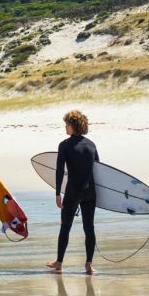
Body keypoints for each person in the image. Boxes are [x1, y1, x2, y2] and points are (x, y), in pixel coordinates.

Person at [47, 110, 100, 275]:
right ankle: (89, 264)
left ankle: (59, 262)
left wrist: (57, 193)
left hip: (73, 191)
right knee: (89, 228)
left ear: (73, 126)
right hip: (90, 191)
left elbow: (59, 170)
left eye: (67, 124)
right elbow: (99, 170)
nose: (65, 127)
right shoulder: (91, 145)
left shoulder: (64, 145)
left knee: (65, 227)